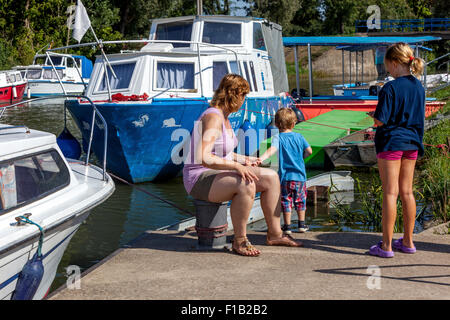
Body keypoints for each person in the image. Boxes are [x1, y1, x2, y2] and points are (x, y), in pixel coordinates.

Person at [183, 74, 302, 257]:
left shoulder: (224, 116)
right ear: (234, 94)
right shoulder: (214, 117)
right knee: (245, 182)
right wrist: (236, 167)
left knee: (270, 178)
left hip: (216, 174)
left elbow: (224, 152)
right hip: (199, 178)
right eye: (243, 95)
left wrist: (244, 160)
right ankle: (240, 241)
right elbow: (203, 157)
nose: (243, 100)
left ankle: (275, 234)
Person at [368, 42, 425, 258]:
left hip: (391, 143)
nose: (387, 70)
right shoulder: (419, 87)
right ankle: (408, 242)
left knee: (390, 193)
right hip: (412, 143)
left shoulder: (390, 87)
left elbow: (381, 121)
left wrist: (372, 119)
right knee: (407, 192)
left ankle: (386, 246)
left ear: (394, 63)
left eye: (387, 66)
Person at [257, 107, 313, 234]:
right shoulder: (299, 137)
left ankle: (287, 227)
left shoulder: (278, 138)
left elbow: (272, 150)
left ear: (276, 124)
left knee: (286, 200)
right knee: (300, 200)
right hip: (299, 176)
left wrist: (261, 158)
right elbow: (309, 151)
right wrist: (301, 158)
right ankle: (301, 225)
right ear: (294, 123)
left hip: (285, 177)